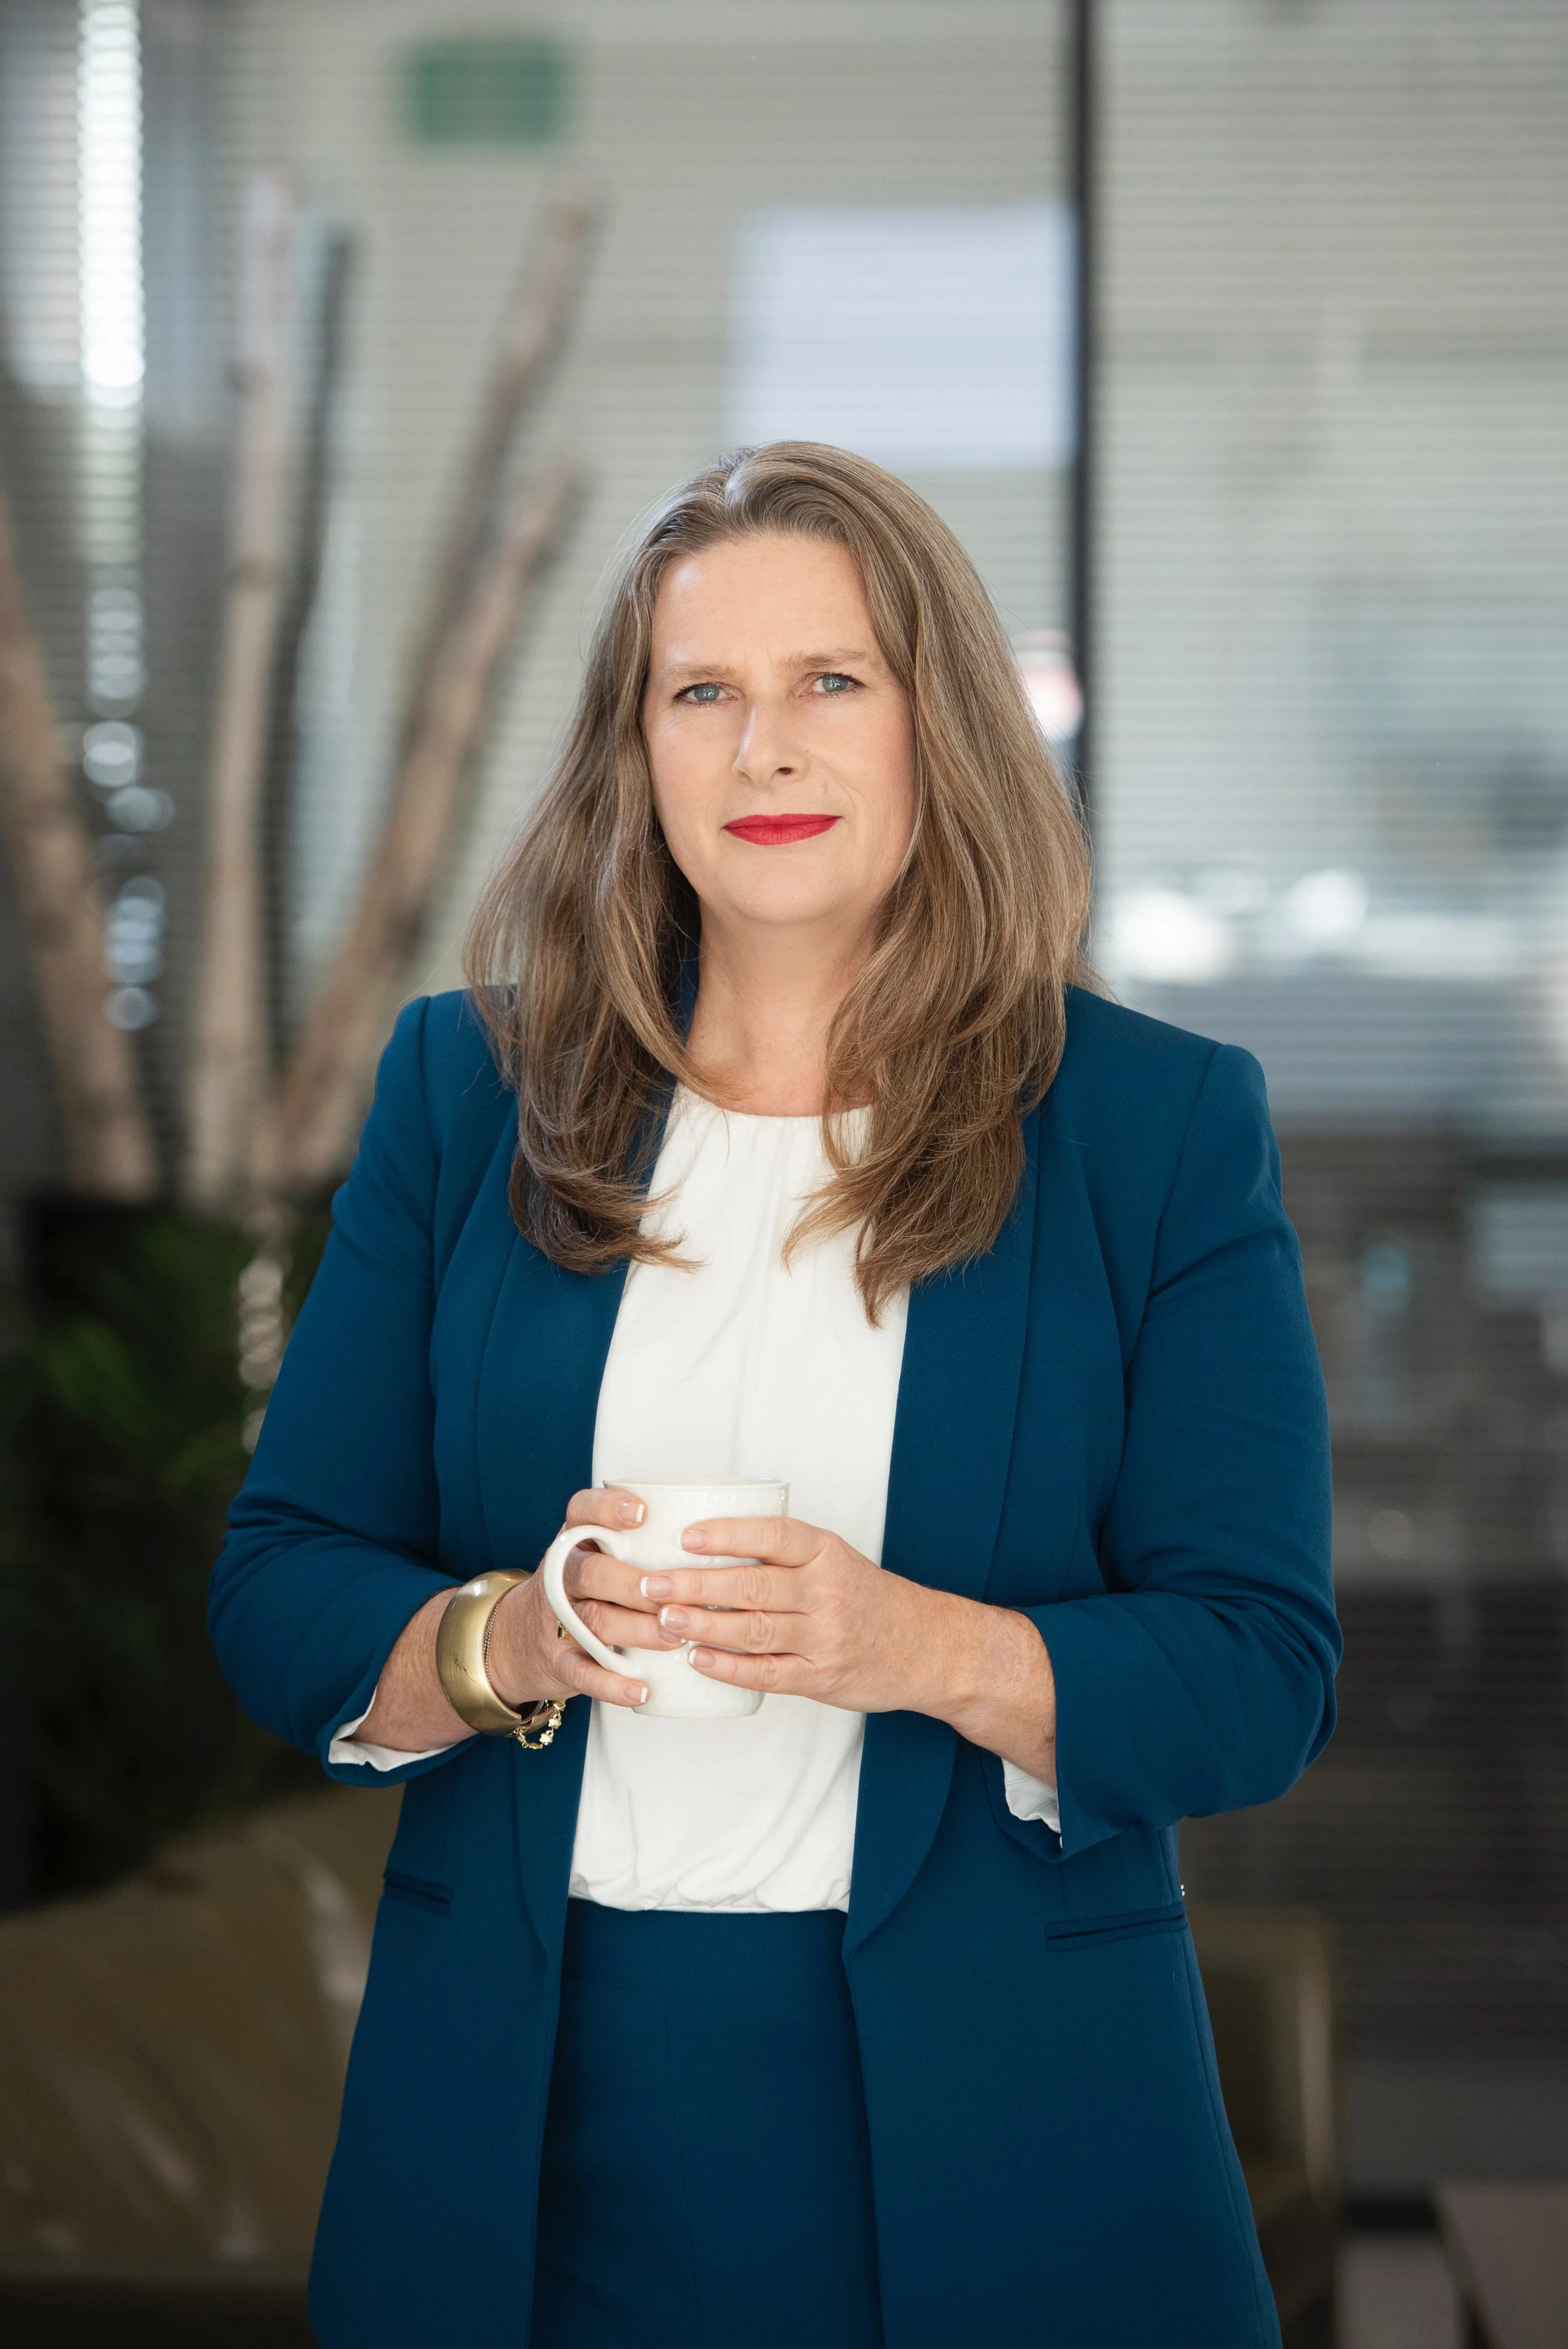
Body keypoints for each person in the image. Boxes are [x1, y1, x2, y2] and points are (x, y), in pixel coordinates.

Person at [209, 442, 1338, 2349]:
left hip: (1012, 2119)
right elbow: (280, 1583)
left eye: (831, 680)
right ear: (634, 750)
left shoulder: (1150, 1129)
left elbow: (1257, 1670)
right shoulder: (465, 1095)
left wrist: (916, 1647)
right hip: (527, 2115)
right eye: (700, 693)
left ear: (936, 724)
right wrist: (510, 1641)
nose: (765, 749)